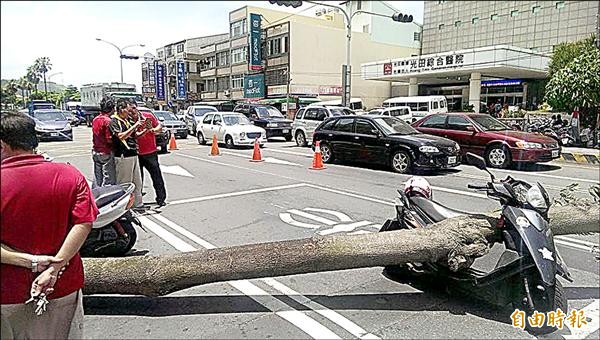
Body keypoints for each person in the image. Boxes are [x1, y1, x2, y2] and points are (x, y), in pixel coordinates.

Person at [1, 112, 99, 339]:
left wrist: (31, 262)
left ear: (2, 144)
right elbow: (84, 223)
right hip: (62, 287)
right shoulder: (69, 174)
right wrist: (53, 268)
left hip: (7, 292)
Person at [129, 99, 167, 206]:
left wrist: (154, 130)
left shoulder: (147, 116)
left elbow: (159, 126)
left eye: (133, 108)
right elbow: (136, 135)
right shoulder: (129, 121)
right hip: (136, 154)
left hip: (150, 152)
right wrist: (141, 128)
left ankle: (161, 198)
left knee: (156, 176)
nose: (132, 112)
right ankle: (138, 201)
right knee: (138, 179)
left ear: (137, 107)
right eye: (130, 110)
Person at [109, 98, 144, 210]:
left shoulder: (127, 120)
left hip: (133, 154)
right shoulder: (114, 121)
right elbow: (121, 136)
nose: (130, 112)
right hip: (123, 155)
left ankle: (137, 205)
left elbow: (135, 135)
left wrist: (145, 129)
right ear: (121, 109)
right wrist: (135, 126)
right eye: (128, 110)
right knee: (124, 183)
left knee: (137, 182)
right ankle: (123, 207)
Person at [91, 96, 116, 187]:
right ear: (112, 108)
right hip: (106, 152)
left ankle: (95, 197)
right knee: (108, 179)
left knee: (97, 179)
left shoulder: (95, 119)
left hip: (96, 151)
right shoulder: (108, 121)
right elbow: (109, 139)